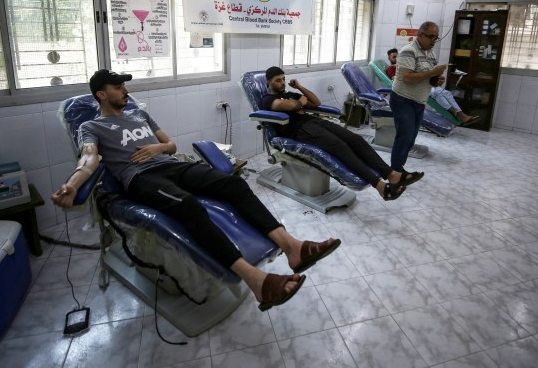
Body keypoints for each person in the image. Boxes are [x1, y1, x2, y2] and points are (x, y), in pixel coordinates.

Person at [51, 69, 342, 312]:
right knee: (188, 205)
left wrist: (159, 147)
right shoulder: (92, 126)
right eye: (118, 87)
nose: (125, 90)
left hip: (169, 164)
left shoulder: (139, 115)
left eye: (125, 85)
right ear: (101, 94)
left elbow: (172, 145)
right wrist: (72, 184)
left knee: (233, 184)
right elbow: (88, 158)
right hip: (140, 178)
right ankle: (257, 282)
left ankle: (293, 249)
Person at [262, 66, 423, 201]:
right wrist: (299, 102)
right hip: (299, 130)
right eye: (278, 80)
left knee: (355, 139)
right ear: (269, 82)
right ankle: (380, 186)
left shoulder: (289, 93)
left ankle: (392, 174)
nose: (282, 83)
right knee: (339, 147)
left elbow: (315, 102)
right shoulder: (267, 99)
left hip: (313, 122)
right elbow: (289, 106)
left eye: (283, 79)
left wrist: (299, 87)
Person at [389, 21, 447, 173]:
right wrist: (432, 74)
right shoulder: (409, 51)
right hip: (403, 99)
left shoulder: (430, 53)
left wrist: (436, 80)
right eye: (431, 37)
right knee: (405, 136)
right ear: (419, 35)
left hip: (419, 101)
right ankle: (395, 171)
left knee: (411, 138)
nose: (434, 40)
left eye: (436, 37)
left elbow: (428, 78)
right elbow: (407, 78)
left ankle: (399, 168)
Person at [387, 48, 479, 126]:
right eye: (394, 57)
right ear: (389, 58)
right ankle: (455, 113)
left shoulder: (404, 66)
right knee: (437, 93)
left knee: (446, 92)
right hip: (413, 88)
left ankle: (460, 113)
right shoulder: (391, 68)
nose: (396, 59)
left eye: (398, 56)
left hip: (421, 83)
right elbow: (396, 79)